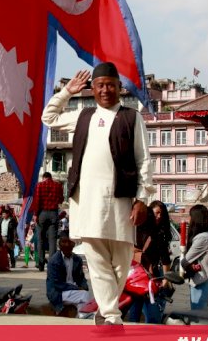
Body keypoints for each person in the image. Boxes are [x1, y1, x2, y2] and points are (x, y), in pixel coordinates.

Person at [41, 63, 154, 326]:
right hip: (87, 200)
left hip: (121, 200)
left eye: (111, 85)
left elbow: (144, 160)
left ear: (119, 88)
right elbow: (49, 117)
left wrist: (142, 199)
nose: (106, 90)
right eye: (100, 85)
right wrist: (66, 92)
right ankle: (111, 317)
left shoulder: (131, 117)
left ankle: (105, 310)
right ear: (93, 89)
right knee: (96, 261)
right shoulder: (83, 115)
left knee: (121, 262)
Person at [128, 200, 173, 323]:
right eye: (156, 213)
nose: (159, 216)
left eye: (161, 214)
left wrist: (165, 278)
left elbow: (165, 259)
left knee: (145, 309)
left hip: (148, 275)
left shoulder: (158, 233)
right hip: (138, 276)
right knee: (140, 310)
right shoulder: (136, 229)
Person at [181, 204, 208, 310]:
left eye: (190, 216)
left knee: (197, 321)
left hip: (200, 285)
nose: (189, 220)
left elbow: (185, 261)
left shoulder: (202, 238)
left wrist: (186, 270)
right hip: (205, 283)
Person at [46, 235, 91, 316]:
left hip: (72, 290)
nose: (67, 245)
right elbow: (57, 284)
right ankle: (83, 317)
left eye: (69, 242)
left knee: (85, 295)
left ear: (73, 244)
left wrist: (84, 286)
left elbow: (81, 277)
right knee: (84, 296)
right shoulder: (54, 261)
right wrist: (77, 288)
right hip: (58, 292)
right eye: (64, 242)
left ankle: (82, 316)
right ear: (59, 245)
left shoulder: (77, 259)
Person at [30, 171, 64, 272]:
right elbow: (61, 200)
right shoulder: (58, 186)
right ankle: (52, 265)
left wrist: (35, 214)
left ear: (44, 177)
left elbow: (37, 201)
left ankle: (40, 264)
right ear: (50, 177)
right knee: (52, 240)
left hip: (42, 214)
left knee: (40, 239)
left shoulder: (39, 185)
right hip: (53, 213)